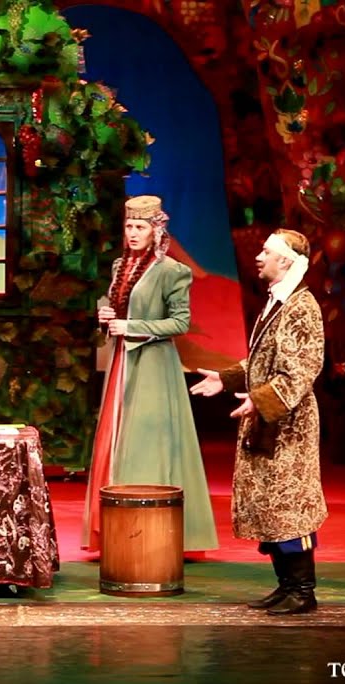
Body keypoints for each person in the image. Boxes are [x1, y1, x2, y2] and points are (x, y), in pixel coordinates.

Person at [189, 228, 326, 615]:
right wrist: (227, 378)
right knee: (269, 506)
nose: (259, 257)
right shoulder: (278, 301)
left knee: (290, 506)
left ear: (285, 260)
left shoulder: (301, 307)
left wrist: (260, 400)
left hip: (289, 426)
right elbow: (263, 361)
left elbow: (301, 370)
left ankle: (303, 590)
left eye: (266, 252)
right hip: (270, 422)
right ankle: (286, 586)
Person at [82, 195, 219, 555]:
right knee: (117, 439)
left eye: (140, 227)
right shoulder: (120, 266)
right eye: (129, 226)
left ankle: (152, 536)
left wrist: (131, 326)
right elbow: (119, 310)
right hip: (122, 363)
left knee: (148, 443)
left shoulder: (171, 270)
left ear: (156, 230)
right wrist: (107, 318)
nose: (132, 233)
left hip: (154, 364)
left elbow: (180, 322)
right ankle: (116, 531)